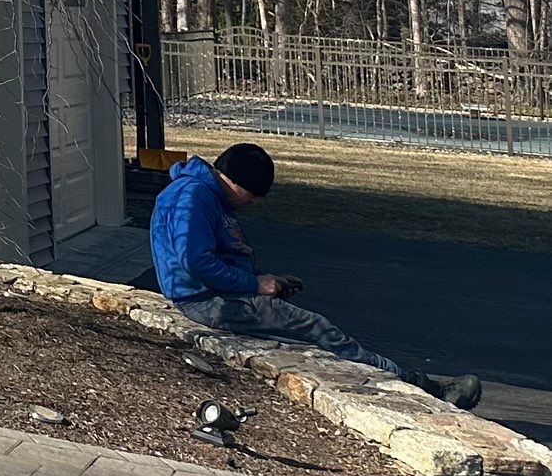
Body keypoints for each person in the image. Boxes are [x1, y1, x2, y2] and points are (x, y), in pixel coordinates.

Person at [150, 141, 483, 410]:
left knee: (310, 333)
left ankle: (413, 383)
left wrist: (269, 281)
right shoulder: (192, 197)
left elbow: (219, 259)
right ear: (237, 181)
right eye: (253, 195)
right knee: (317, 329)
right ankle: (421, 388)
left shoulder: (207, 197)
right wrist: (255, 284)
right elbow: (195, 262)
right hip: (206, 301)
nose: (253, 203)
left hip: (220, 294)